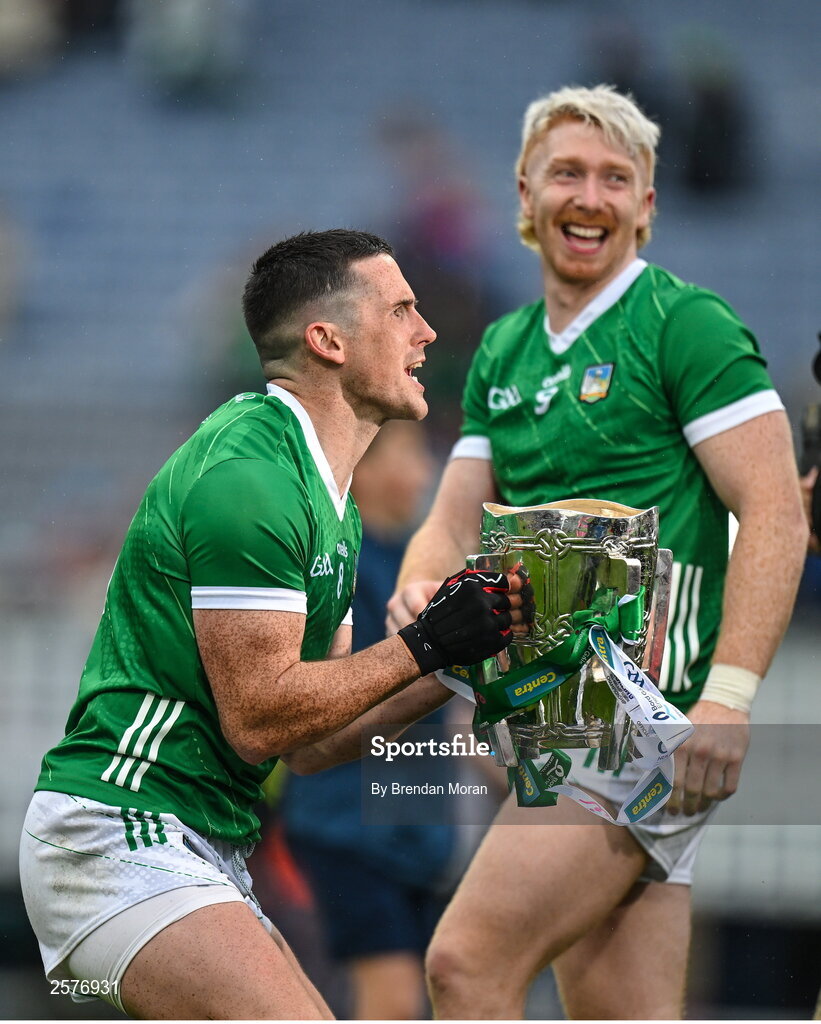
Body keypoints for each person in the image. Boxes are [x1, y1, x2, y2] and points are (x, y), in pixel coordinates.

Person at [18, 228, 523, 1021]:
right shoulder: (252, 480)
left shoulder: (331, 499)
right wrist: (427, 643)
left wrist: (460, 660)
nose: (427, 333)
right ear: (327, 341)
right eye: (400, 311)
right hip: (119, 831)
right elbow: (259, 720)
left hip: (196, 844)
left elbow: (317, 742)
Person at [387, 85, 808, 1020]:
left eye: (617, 179)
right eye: (568, 173)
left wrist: (728, 700)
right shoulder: (503, 347)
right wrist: (420, 580)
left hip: (637, 725)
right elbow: (454, 515)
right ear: (525, 196)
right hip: (548, 720)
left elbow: (775, 510)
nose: (591, 196)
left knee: (465, 964)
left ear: (646, 208)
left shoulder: (683, 325)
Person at [281, 420, 454, 1020]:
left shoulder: (417, 570)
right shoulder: (340, 567)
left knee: (429, 992)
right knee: (394, 999)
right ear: (366, 472)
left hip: (416, 829)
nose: (425, 475)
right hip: (344, 823)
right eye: (410, 456)